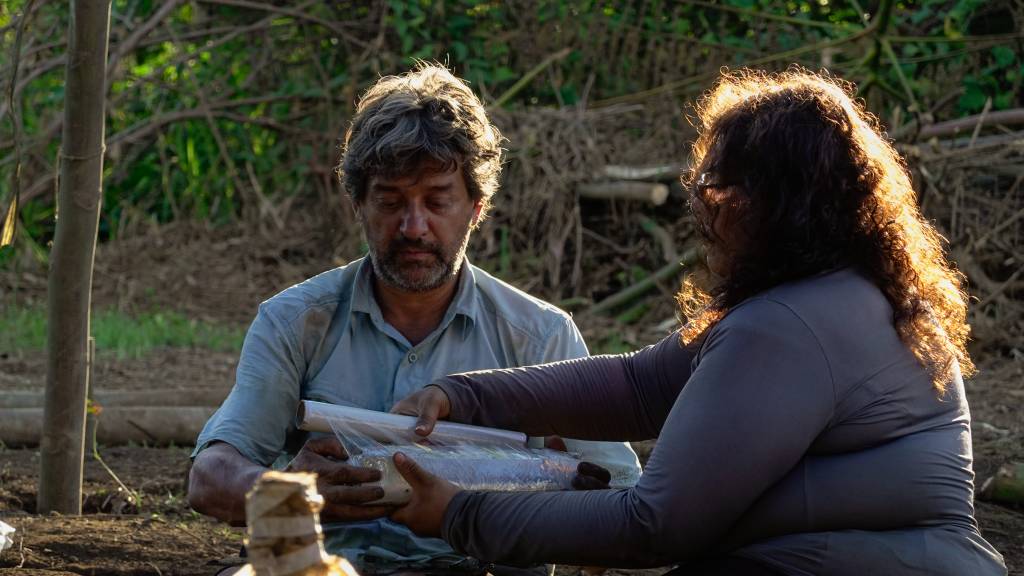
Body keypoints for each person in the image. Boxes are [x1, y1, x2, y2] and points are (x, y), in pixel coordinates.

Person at [387, 69, 1008, 575]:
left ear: (766, 204)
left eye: (714, 187)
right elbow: (638, 386)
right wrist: (465, 396)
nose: (702, 209)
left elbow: (653, 526)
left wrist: (460, 515)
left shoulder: (789, 327)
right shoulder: (840, 294)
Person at [186, 63, 640, 574]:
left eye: (437, 201)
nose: (413, 227)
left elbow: (622, 497)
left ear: (477, 207)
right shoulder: (295, 322)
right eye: (390, 200)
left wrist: (547, 492)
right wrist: (296, 493)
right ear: (358, 203)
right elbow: (209, 478)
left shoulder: (540, 337)